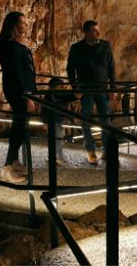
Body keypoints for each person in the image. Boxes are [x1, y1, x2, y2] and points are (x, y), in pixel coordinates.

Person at [66, 20, 116, 165]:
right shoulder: (77, 48)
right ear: (86, 32)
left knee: (105, 120)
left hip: (102, 88)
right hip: (85, 89)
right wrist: (75, 87)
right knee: (86, 119)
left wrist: (113, 88)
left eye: (98, 30)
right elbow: (71, 69)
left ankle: (107, 150)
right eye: (94, 31)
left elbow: (111, 67)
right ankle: (90, 150)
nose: (98, 33)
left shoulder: (105, 46)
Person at [0, 11, 37, 183]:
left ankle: (14, 161)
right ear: (14, 25)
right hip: (18, 91)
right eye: (23, 22)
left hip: (23, 90)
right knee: (19, 126)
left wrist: (34, 92)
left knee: (22, 126)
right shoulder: (11, 47)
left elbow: (28, 72)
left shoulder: (17, 46)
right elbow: (17, 73)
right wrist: (27, 95)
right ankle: (7, 167)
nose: (26, 25)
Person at [44, 77, 74, 167]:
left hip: (59, 120)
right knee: (58, 139)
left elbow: (71, 97)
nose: (62, 88)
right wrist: (45, 122)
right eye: (60, 87)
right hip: (52, 121)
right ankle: (59, 157)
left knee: (57, 139)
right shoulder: (49, 96)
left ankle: (52, 156)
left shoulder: (60, 95)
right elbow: (44, 110)